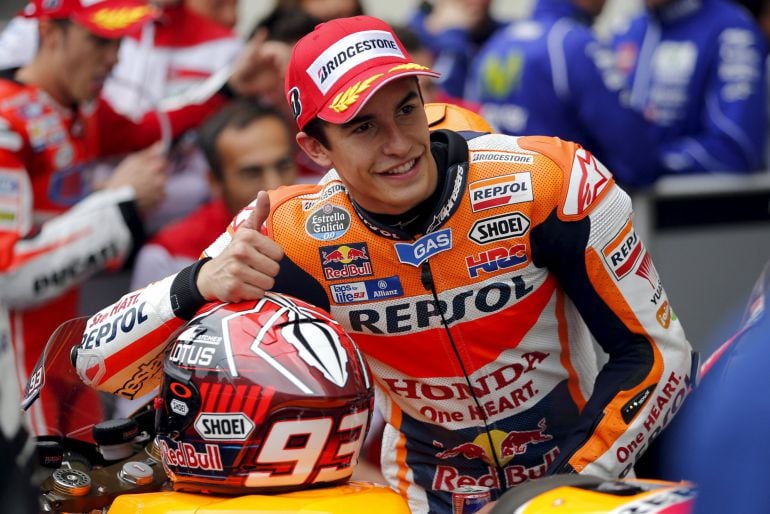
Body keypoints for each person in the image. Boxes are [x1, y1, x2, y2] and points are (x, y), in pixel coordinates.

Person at [72, 16, 694, 514]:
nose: (399, 145)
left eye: (405, 108)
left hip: (587, 487)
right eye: (363, 126)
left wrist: (558, 491)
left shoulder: (551, 180)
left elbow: (659, 356)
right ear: (316, 148)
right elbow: (98, 365)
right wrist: (196, 284)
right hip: (422, 497)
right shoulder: (289, 229)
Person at [0, 0, 266, 435]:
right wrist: (120, 203)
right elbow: (8, 274)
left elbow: (145, 129)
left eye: (119, 42)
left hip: (61, 344)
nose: (114, 57)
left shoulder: (79, 108)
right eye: (100, 41)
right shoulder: (6, 123)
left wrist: (231, 90)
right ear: (50, 34)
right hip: (13, 361)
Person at [467, 0, 660, 187]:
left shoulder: (497, 43)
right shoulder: (575, 43)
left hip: (501, 200)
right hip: (564, 205)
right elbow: (635, 158)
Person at [130, 100, 298, 289]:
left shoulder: (329, 222)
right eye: (252, 173)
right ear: (214, 182)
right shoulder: (166, 256)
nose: (274, 185)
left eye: (283, 166)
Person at [611, 0, 768, 178]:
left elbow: (736, 148)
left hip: (701, 203)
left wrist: (653, 162)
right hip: (632, 203)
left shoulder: (733, 29)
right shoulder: (627, 30)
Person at [408, 0, 505, 99]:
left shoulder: (506, 34)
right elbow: (446, 96)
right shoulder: (413, 34)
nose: (477, 3)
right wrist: (453, 33)